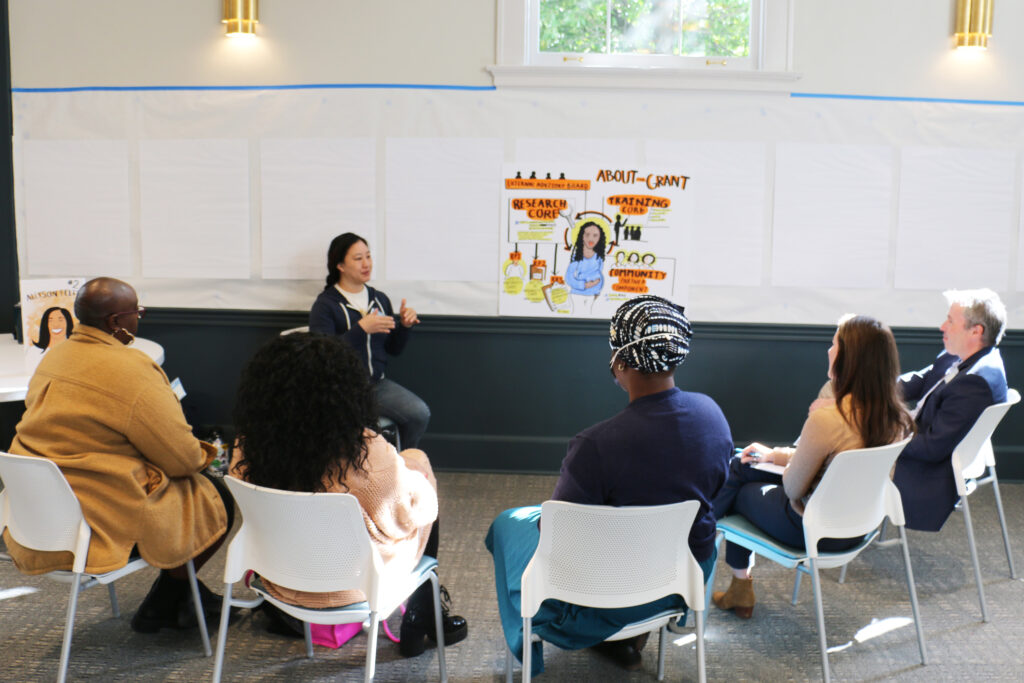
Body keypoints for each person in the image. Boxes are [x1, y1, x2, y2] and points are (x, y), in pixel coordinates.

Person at [486, 295, 731, 676]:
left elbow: (558, 534)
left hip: (603, 594)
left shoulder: (596, 445)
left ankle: (532, 643)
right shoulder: (712, 415)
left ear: (620, 362)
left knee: (510, 524)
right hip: (684, 577)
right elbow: (713, 490)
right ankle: (629, 638)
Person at [3, 277, 232, 633]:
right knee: (218, 497)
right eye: (135, 312)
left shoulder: (55, 356)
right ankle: (169, 597)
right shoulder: (131, 369)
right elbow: (183, 459)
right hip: (101, 514)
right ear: (115, 323)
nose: (138, 319)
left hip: (45, 514)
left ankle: (178, 598)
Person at [230, 332, 467, 656]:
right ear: (345, 392)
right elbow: (407, 519)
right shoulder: (367, 453)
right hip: (353, 586)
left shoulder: (246, 447)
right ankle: (425, 613)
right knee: (420, 472)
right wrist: (416, 470)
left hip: (278, 579)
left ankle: (424, 611)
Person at [711, 315, 914, 618]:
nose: (828, 350)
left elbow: (794, 487)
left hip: (809, 528)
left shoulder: (828, 418)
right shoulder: (897, 419)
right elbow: (835, 467)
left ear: (850, 359)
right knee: (746, 461)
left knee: (738, 485)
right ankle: (734, 583)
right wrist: (773, 456)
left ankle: (698, 549)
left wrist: (788, 455)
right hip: (858, 527)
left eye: (834, 344)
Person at [893, 288, 1008, 532]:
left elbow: (932, 448)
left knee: (846, 443)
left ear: (976, 331)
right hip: (914, 436)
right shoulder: (959, 356)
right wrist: (872, 390)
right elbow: (921, 380)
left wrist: (885, 440)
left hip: (924, 472)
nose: (942, 327)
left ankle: (829, 526)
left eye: (951, 321)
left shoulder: (976, 381)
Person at [309, 233, 430, 449]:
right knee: (354, 437)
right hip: (339, 390)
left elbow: (394, 349)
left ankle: (399, 466)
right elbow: (321, 356)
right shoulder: (325, 305)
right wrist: (361, 329)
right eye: (358, 258)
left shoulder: (380, 299)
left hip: (375, 386)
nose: (366, 264)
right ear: (340, 265)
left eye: (368, 256)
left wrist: (405, 326)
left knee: (419, 413)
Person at [564, 221, 606, 296]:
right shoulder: (577, 256)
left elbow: (599, 272)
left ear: (600, 238)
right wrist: (584, 285)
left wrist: (597, 288)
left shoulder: (599, 256)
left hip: (595, 294)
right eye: (587, 235)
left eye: (595, 235)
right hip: (578, 293)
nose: (591, 239)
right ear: (582, 236)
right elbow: (569, 277)